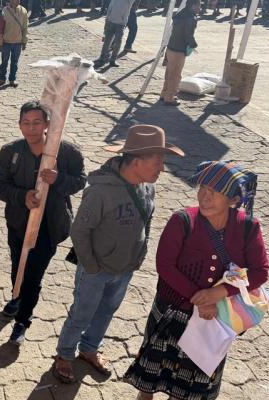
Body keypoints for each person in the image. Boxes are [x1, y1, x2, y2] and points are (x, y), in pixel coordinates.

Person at [124, 161, 269, 400]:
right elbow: (165, 266)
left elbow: (260, 271)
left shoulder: (247, 227)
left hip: (215, 319)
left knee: (191, 379)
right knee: (153, 370)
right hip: (173, 310)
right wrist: (199, 299)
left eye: (214, 193)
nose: (204, 197)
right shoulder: (182, 221)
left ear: (233, 200)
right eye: (203, 188)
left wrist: (219, 293)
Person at [53, 125, 185, 383]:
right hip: (96, 270)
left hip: (125, 268)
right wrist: (91, 266)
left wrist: (138, 255)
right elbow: (79, 231)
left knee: (107, 311)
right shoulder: (101, 191)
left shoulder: (147, 188)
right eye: (157, 162)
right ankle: (64, 354)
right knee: (82, 313)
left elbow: (147, 220)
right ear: (136, 162)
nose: (162, 169)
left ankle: (89, 348)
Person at [0, 101, 86, 344]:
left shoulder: (68, 152)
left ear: (47, 125)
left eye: (36, 123)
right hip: (18, 223)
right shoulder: (10, 151)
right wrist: (22, 196)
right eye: (26, 123)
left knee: (34, 274)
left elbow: (80, 181)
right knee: (18, 266)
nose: (31, 128)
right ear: (19, 125)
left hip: (50, 226)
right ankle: (16, 297)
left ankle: (22, 321)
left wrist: (58, 179)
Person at [160, 0, 199, 106]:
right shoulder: (190, 18)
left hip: (171, 47)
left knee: (169, 73)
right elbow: (188, 35)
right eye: (198, 5)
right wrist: (194, 45)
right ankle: (170, 97)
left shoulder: (180, 14)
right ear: (193, 6)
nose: (199, 8)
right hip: (179, 50)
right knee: (175, 75)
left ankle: (164, 93)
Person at [93, 0, 136, 69]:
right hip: (110, 22)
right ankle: (102, 57)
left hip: (120, 24)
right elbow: (110, 8)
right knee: (107, 41)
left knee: (118, 42)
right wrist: (107, 19)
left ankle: (113, 59)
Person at [0, 0, 27, 88]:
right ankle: (2, 78)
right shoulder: (4, 10)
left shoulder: (23, 11)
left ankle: (12, 79)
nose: (16, 1)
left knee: (15, 62)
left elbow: (25, 27)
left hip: (18, 42)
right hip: (6, 41)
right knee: (4, 62)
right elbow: (0, 27)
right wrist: (0, 42)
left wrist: (24, 41)